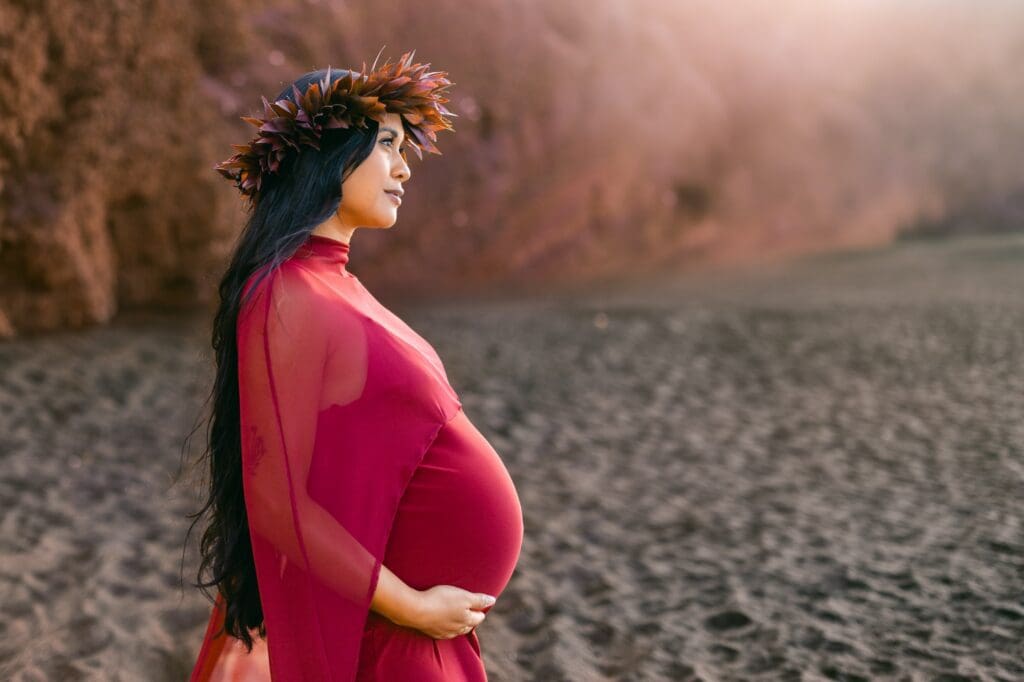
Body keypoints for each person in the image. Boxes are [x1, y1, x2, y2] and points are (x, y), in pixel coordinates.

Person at [184, 48, 524, 681]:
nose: (403, 169)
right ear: (329, 157)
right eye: (388, 145)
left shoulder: (329, 282)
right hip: (394, 630)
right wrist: (414, 606)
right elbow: (278, 500)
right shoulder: (287, 294)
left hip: (415, 630)